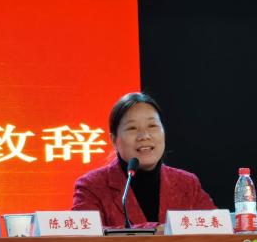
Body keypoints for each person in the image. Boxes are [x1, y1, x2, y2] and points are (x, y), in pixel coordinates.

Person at [72, 92, 216, 228]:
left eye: (152, 126)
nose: (144, 136)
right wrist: (156, 231)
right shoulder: (92, 186)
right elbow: (84, 237)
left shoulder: (187, 184)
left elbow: (217, 228)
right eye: (132, 128)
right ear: (114, 140)